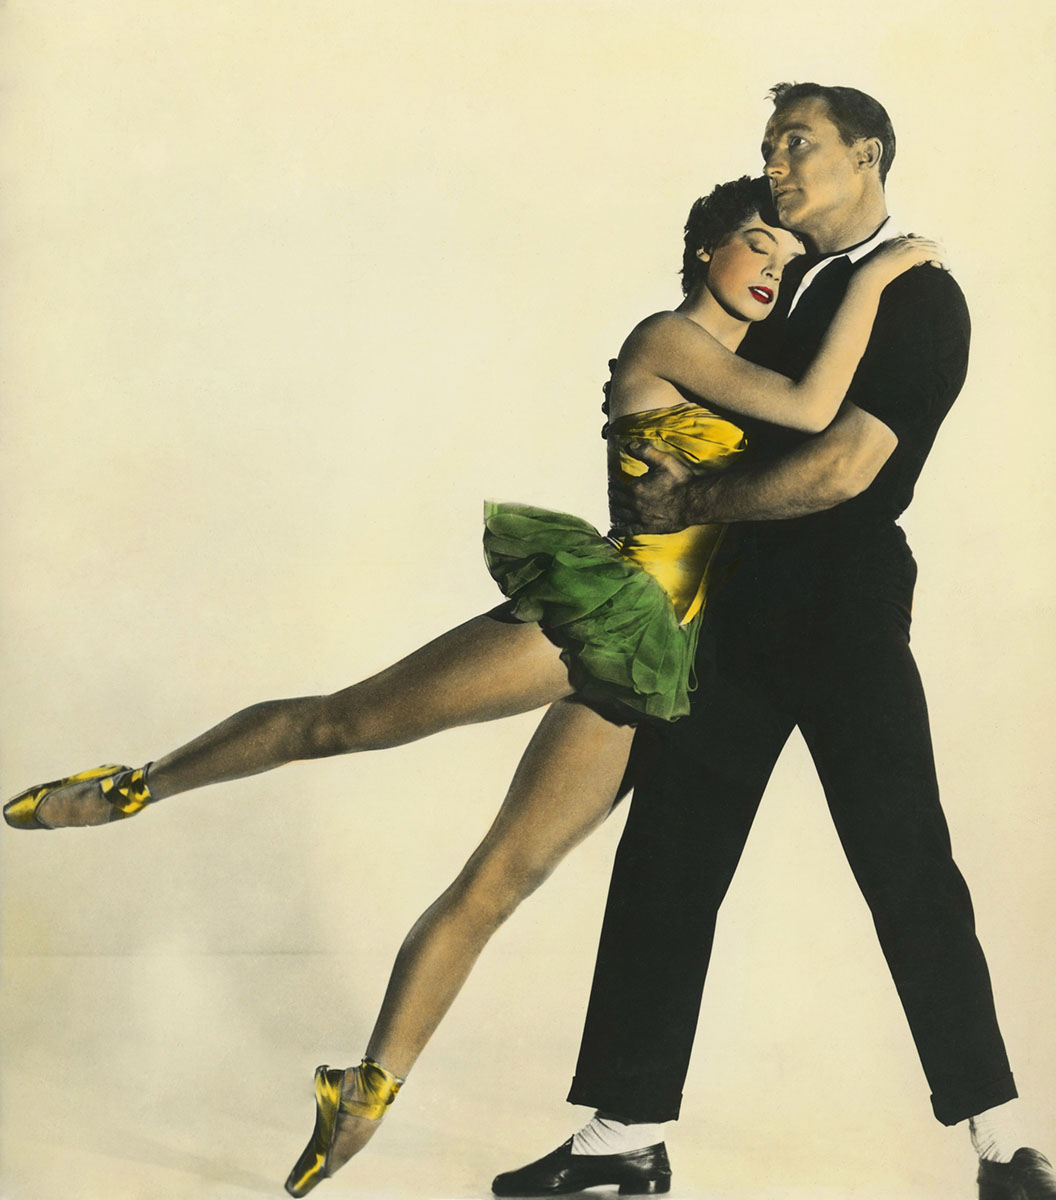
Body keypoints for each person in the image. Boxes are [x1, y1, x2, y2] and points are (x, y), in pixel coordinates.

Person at [3, 178, 938, 1198]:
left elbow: (820, 448)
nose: (772, 269)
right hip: (606, 607)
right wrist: (881, 272)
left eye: (788, 261)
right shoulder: (668, 338)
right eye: (757, 244)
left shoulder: (753, 366)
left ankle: (366, 1091)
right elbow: (814, 411)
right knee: (343, 722)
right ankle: (140, 783)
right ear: (706, 246)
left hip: (662, 660)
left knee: (499, 882)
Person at [491, 84, 1056, 1200]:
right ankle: (624, 1137)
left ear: (869, 153)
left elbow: (843, 466)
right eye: (768, 147)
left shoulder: (920, 295)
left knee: (902, 857)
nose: (776, 164)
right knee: (668, 855)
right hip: (735, 604)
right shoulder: (779, 287)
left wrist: (690, 497)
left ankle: (1003, 1142)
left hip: (841, 601)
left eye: (797, 143)